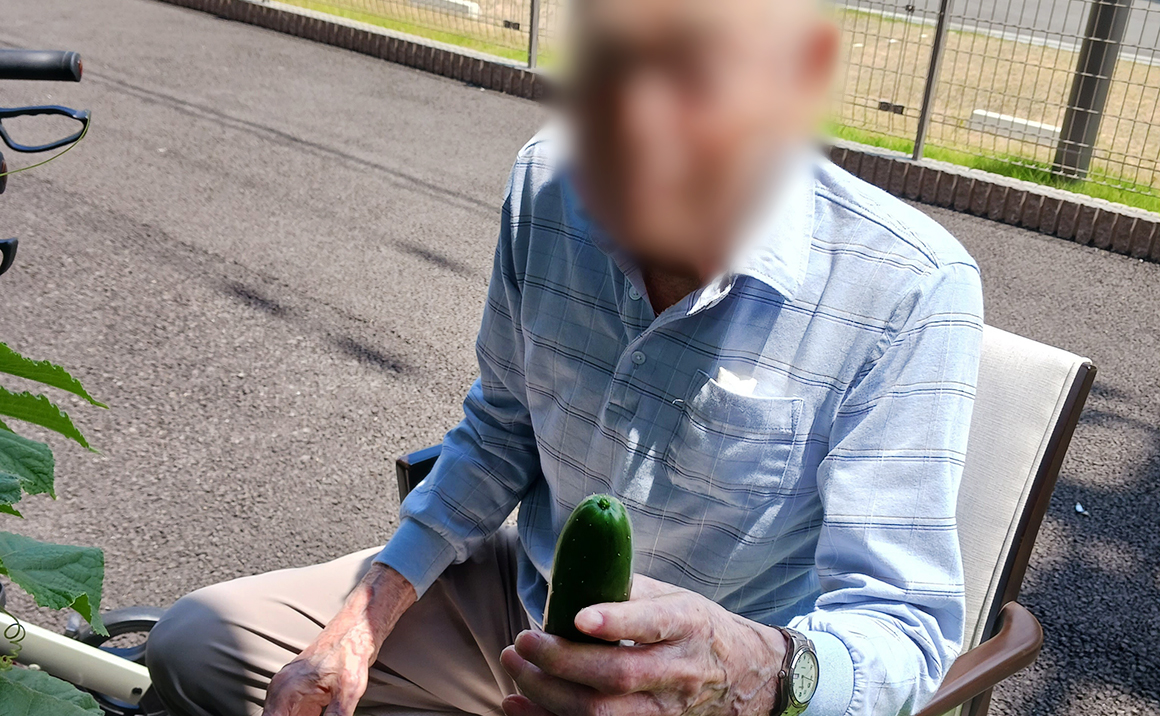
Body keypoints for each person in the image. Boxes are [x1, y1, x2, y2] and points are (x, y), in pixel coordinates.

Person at [145, 0, 984, 714]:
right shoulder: (550, 182)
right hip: (523, 604)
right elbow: (501, 429)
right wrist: (365, 618)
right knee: (196, 647)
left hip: (705, 684)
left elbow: (903, 625)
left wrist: (752, 670)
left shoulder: (909, 289)